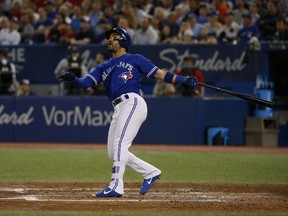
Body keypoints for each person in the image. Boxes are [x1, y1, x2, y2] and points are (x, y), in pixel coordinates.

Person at [59, 27, 198, 198]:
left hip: (132, 102)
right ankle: (150, 172)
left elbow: (160, 75)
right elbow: (86, 83)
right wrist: (73, 79)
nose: (110, 40)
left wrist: (183, 79)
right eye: (109, 37)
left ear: (124, 40)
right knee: (114, 151)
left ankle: (116, 184)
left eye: (115, 37)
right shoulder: (104, 66)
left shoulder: (136, 59)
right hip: (118, 108)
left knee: (119, 144)